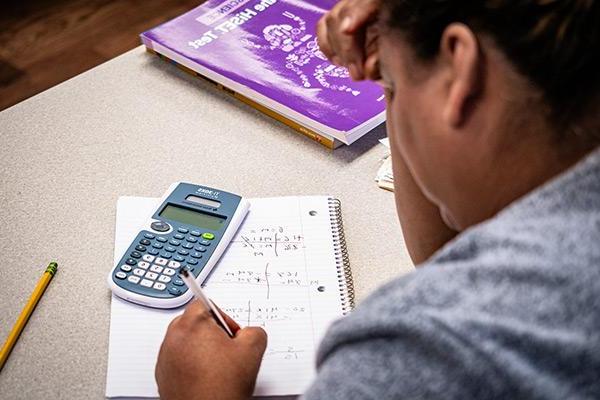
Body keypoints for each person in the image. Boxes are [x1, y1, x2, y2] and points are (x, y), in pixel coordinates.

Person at [155, 0, 600, 398]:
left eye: (390, 83)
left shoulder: (421, 357)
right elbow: (447, 253)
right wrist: (406, 59)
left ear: (459, 66)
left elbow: (453, 284)